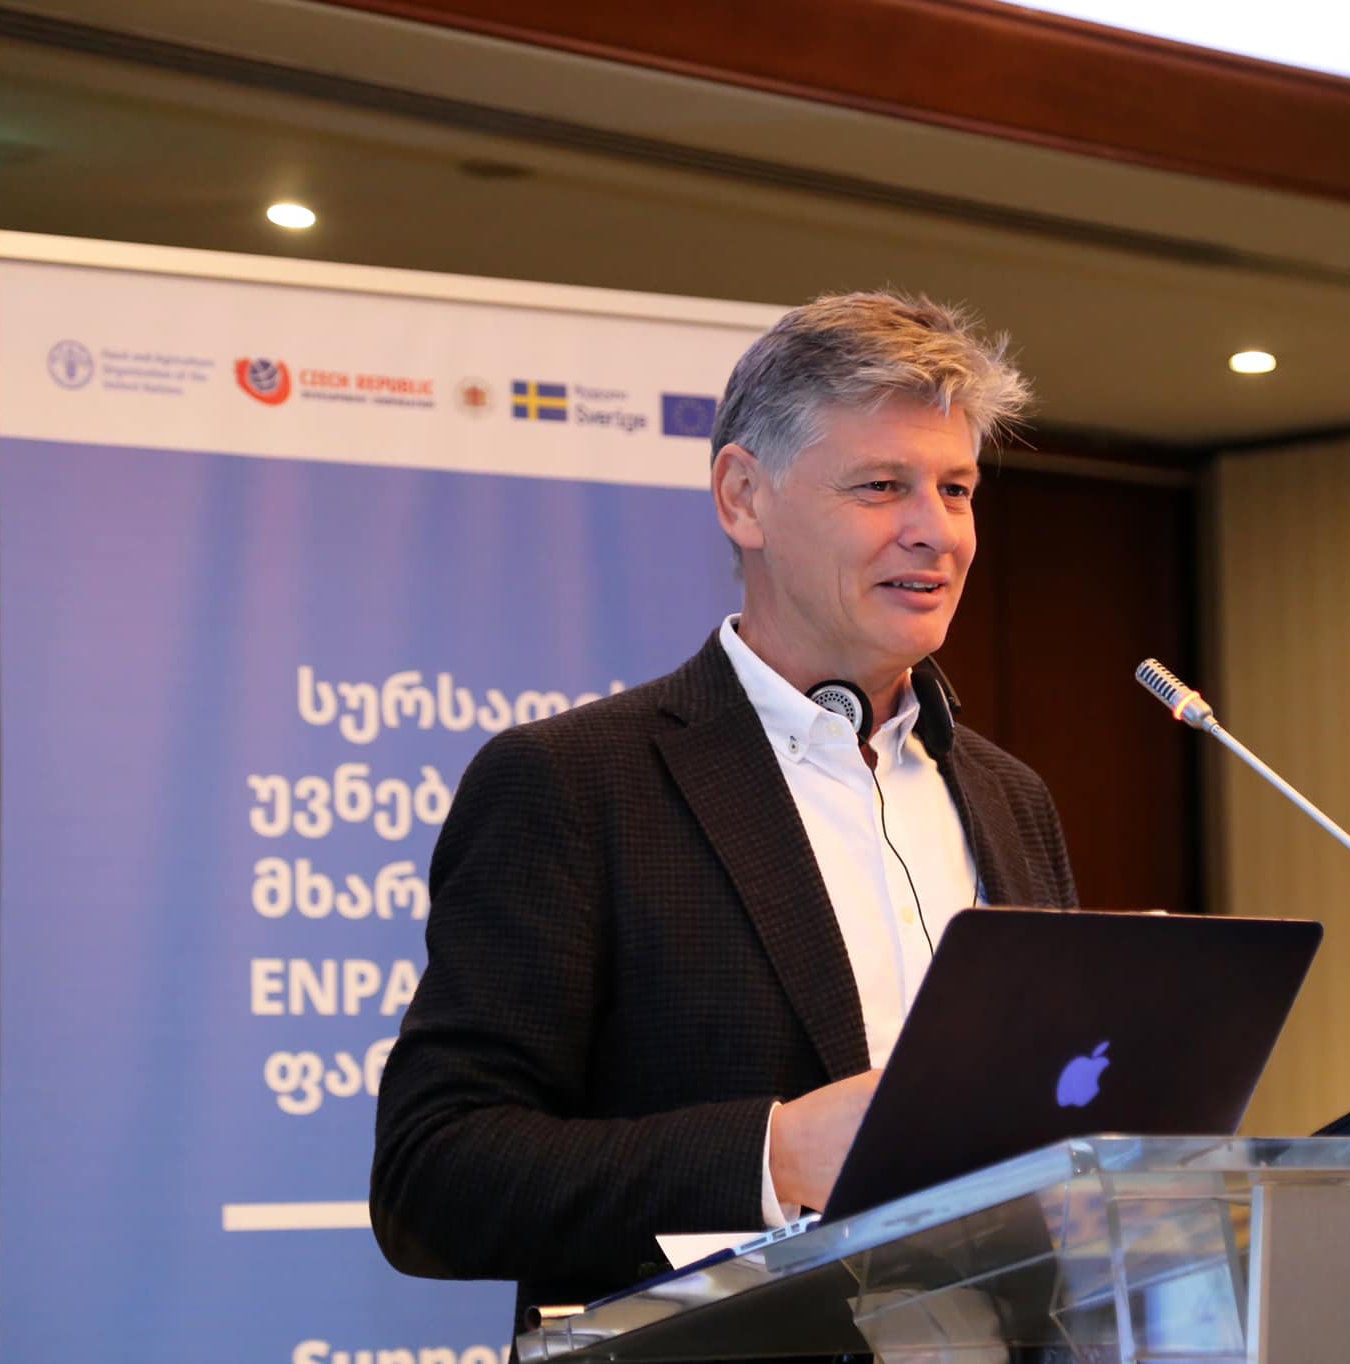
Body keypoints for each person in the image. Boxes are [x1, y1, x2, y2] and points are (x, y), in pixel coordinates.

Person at [370, 291, 1078, 1334]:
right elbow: (435, 1175)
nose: (935, 531)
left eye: (956, 489)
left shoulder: (1011, 797)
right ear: (743, 497)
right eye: (881, 486)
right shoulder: (573, 782)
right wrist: (773, 1154)